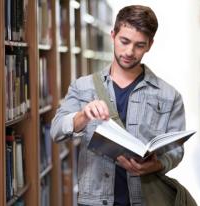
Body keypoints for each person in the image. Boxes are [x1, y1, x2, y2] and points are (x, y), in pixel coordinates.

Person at [50, 5, 186, 206]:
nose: (130, 51)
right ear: (113, 35)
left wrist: (157, 165)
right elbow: (56, 131)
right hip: (94, 201)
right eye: (124, 41)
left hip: (145, 200)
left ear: (150, 45)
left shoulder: (169, 95)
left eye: (140, 45)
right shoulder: (83, 87)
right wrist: (83, 116)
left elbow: (176, 151)